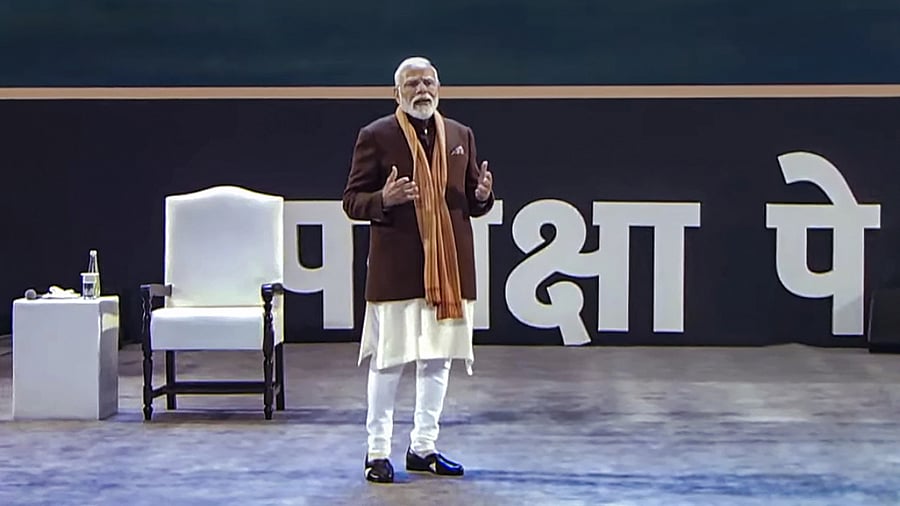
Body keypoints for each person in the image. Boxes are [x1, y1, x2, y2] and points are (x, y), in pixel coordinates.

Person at [342, 56, 495, 484]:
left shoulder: (461, 135)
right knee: (389, 362)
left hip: (449, 271)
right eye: (412, 84)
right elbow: (352, 201)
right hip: (398, 270)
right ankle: (377, 452)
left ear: (439, 88)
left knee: (437, 361)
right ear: (397, 93)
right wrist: (383, 199)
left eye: (428, 82)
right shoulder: (376, 136)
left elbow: (471, 201)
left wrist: (483, 196)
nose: (421, 90)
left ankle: (423, 447)